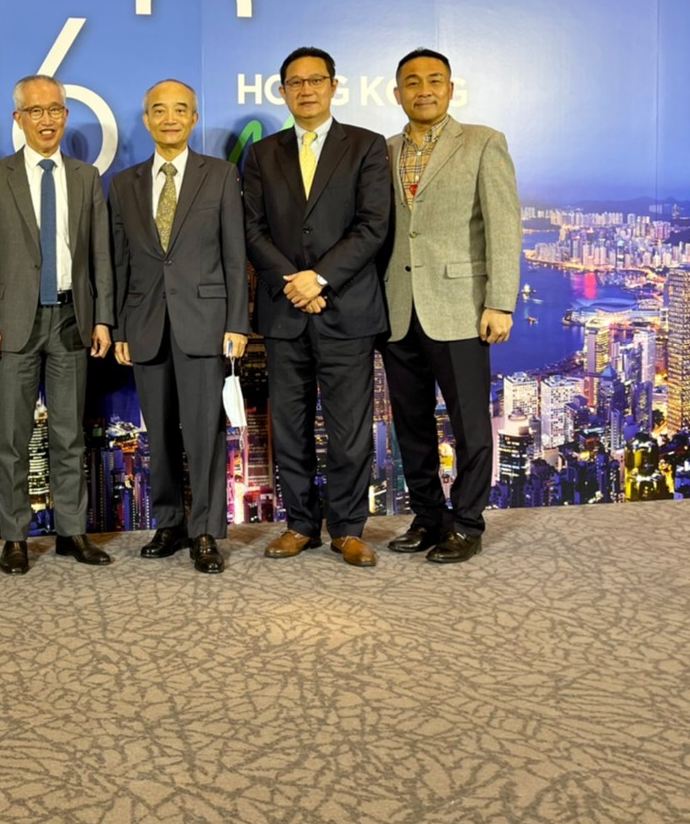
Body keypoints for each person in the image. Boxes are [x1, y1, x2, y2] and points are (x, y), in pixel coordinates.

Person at [242, 47, 391, 568]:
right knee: (290, 427)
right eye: (295, 82)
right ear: (282, 91)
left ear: (333, 86)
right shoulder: (262, 154)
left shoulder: (366, 146)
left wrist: (319, 278)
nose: (306, 90)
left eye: (315, 80)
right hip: (285, 311)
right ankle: (300, 524)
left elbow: (373, 224)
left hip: (346, 308)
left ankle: (348, 529)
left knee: (349, 430)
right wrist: (293, 283)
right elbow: (252, 228)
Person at [0, 75, 115, 574]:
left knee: (69, 434)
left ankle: (72, 532)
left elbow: (100, 255)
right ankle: (15, 537)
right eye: (35, 111)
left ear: (66, 116)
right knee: (13, 438)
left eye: (54, 110)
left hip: (73, 318)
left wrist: (103, 319)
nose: (46, 120)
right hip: (14, 323)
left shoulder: (86, 176)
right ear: (18, 118)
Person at [381, 47, 521, 563]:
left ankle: (466, 523)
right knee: (410, 425)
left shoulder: (483, 142)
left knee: (470, 427)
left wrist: (500, 302)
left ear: (450, 88)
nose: (424, 90)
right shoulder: (383, 150)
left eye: (434, 80)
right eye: (412, 82)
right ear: (397, 94)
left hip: (461, 307)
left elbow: (503, 224)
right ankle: (427, 517)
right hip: (398, 309)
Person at [109, 80, 248, 573]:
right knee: (159, 433)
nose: (170, 118)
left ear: (194, 118)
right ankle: (168, 522)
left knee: (205, 433)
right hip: (146, 323)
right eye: (159, 110)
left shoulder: (221, 175)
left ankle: (205, 530)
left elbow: (235, 255)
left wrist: (237, 323)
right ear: (147, 119)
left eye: (180, 109)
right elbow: (119, 261)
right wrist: (120, 328)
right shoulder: (124, 184)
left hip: (205, 323)